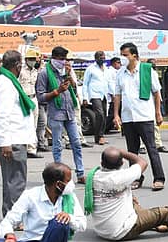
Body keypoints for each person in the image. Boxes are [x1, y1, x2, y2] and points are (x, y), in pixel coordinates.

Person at [86, 147, 168, 240]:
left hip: (102, 230)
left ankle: (157, 225)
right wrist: (122, 152)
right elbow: (142, 162)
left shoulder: (94, 176)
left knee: (132, 200)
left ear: (102, 162)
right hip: (122, 231)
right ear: (121, 163)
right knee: (165, 213)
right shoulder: (122, 176)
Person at [0, 162, 84, 242]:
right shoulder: (31, 196)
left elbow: (82, 224)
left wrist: (69, 217)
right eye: (68, 181)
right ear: (59, 184)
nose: (71, 184)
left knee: (60, 222)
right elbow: (8, 221)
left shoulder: (69, 196)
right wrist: (10, 238)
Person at [112, 43, 166, 191]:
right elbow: (117, 95)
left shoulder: (147, 70)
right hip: (128, 117)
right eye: (121, 55)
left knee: (151, 148)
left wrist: (158, 113)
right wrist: (116, 114)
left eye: (125, 55)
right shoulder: (120, 73)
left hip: (145, 115)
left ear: (134, 56)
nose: (123, 58)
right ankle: (136, 177)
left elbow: (156, 93)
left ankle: (159, 178)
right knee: (132, 151)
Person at [0, 50, 38, 216]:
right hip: (12, 139)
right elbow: (2, 114)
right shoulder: (5, 83)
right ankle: (15, 217)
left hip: (15, 137)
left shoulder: (7, 80)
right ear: (17, 66)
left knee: (12, 179)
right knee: (16, 180)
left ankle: (11, 214)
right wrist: (5, 143)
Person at [37, 46, 85, 183]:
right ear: (54, 58)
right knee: (58, 145)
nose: (64, 61)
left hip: (69, 111)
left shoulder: (66, 70)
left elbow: (73, 88)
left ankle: (80, 173)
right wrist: (57, 91)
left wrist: (69, 76)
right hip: (56, 113)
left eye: (65, 59)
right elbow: (40, 96)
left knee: (76, 143)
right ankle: (58, 176)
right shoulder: (44, 73)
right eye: (61, 59)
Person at [18, 48, 44, 158]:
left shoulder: (35, 71)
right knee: (23, 124)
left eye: (34, 59)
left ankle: (32, 149)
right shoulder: (20, 71)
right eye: (31, 59)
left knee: (34, 124)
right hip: (23, 99)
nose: (33, 61)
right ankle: (22, 148)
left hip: (33, 98)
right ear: (26, 59)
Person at [83, 51, 109, 146]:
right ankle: (100, 136)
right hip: (94, 94)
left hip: (104, 94)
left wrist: (113, 94)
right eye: (100, 58)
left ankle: (99, 136)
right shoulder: (90, 68)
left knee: (104, 116)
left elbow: (108, 82)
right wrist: (85, 97)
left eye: (103, 58)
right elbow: (85, 84)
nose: (102, 59)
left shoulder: (106, 68)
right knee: (100, 114)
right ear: (96, 58)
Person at [105, 57, 122, 134]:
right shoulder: (109, 71)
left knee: (121, 113)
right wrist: (113, 95)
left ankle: (124, 130)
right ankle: (104, 128)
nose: (120, 64)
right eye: (118, 63)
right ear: (114, 63)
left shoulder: (118, 71)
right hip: (114, 96)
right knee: (112, 114)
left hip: (119, 96)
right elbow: (110, 83)